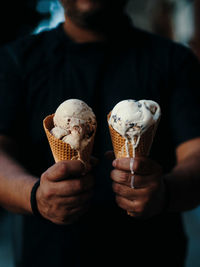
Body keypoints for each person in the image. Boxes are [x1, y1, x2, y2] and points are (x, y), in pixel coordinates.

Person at [0, 0, 200, 266]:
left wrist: (165, 191)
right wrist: (36, 196)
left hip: (152, 255)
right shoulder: (16, 60)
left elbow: (196, 153)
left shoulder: (175, 60)